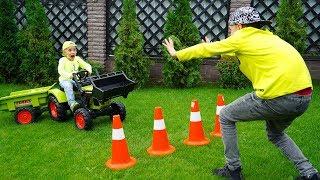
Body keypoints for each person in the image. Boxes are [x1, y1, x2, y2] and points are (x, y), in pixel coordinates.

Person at [163, 6, 319, 180]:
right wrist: (216, 50)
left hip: (278, 96)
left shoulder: (242, 37)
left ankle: (233, 170)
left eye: (231, 27)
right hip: (304, 97)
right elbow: (236, 53)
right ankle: (309, 173)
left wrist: (176, 54)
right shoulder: (269, 38)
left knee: (225, 116)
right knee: (276, 134)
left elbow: (206, 50)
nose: (230, 30)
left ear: (240, 25)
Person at [58, 41, 92, 112]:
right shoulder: (62, 60)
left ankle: (87, 101)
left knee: (85, 85)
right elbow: (60, 71)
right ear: (64, 52)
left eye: (74, 50)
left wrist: (88, 70)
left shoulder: (77, 59)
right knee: (68, 85)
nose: (72, 52)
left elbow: (86, 65)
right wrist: (69, 75)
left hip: (75, 79)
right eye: (70, 50)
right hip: (65, 80)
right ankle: (72, 103)